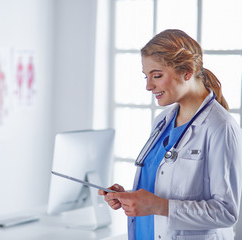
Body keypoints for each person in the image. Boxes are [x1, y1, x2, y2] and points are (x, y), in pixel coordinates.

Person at [99, 29, 242, 239]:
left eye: (157, 75)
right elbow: (166, 188)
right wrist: (129, 196)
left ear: (187, 71)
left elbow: (227, 212)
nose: (148, 86)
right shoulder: (162, 121)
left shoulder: (221, 127)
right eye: (146, 76)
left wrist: (159, 206)